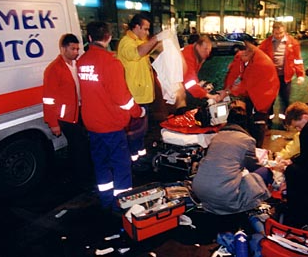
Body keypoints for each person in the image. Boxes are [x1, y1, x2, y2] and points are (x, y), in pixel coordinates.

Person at [77, 21, 145, 210]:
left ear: (89, 38)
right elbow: (122, 99)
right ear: (108, 37)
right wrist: (139, 111)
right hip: (111, 125)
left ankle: (106, 199)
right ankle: (122, 204)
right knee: (121, 165)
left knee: (101, 164)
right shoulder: (111, 63)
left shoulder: (82, 62)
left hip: (92, 124)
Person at [192, 105, 271, 216]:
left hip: (201, 191)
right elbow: (254, 167)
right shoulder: (247, 140)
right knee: (265, 173)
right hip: (223, 194)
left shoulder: (216, 137)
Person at [42, 33, 93, 189]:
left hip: (78, 111)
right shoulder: (54, 69)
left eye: (78, 48)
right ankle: (82, 180)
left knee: (77, 146)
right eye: (73, 49)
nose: (76, 52)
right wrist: (53, 123)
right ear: (63, 48)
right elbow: (48, 99)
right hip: (65, 116)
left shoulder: (76, 64)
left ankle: (75, 176)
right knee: (80, 146)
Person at [117, 12, 168, 164]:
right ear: (136, 27)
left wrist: (163, 42)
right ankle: (134, 160)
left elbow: (149, 50)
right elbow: (138, 52)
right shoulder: (127, 43)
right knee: (135, 131)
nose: (147, 32)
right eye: (145, 29)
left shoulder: (139, 41)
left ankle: (140, 155)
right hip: (134, 96)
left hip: (141, 95)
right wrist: (155, 39)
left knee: (141, 130)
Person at [222, 42, 279, 147]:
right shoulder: (244, 56)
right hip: (255, 92)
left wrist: (227, 92)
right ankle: (250, 142)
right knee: (249, 119)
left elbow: (245, 84)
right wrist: (226, 88)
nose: (241, 58)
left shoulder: (259, 63)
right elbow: (233, 72)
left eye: (243, 56)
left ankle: (256, 148)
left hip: (263, 96)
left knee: (258, 122)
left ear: (249, 53)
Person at [259, 22, 305, 123]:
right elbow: (259, 58)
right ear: (272, 32)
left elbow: (297, 60)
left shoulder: (293, 43)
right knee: (269, 101)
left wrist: (300, 74)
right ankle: (269, 121)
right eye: (276, 34)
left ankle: (284, 121)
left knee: (285, 101)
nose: (279, 36)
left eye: (281, 33)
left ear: (285, 31)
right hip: (270, 78)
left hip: (286, 77)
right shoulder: (266, 43)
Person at [179, 35, 223, 112]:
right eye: (205, 49)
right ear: (198, 46)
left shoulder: (195, 53)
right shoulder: (189, 56)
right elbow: (189, 83)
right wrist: (209, 96)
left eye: (209, 50)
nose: (207, 53)